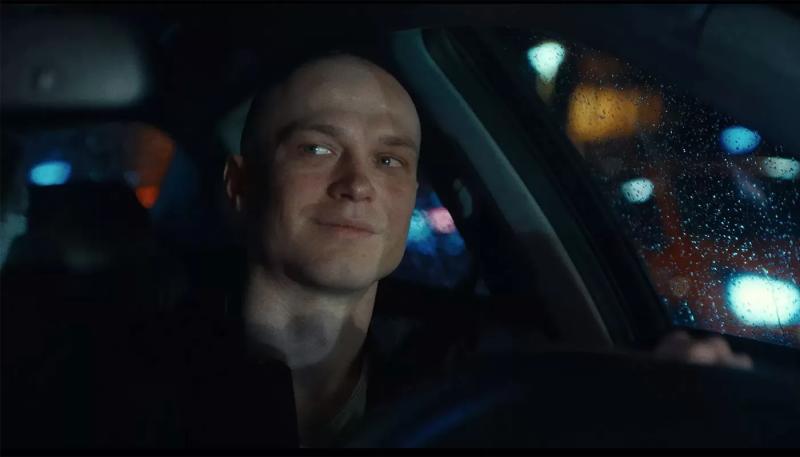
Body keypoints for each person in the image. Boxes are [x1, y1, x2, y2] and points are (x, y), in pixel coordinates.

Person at [165, 48, 754, 448]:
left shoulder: (473, 389)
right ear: (240, 186)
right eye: (317, 149)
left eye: (389, 160)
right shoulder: (135, 385)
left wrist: (668, 400)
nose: (359, 184)